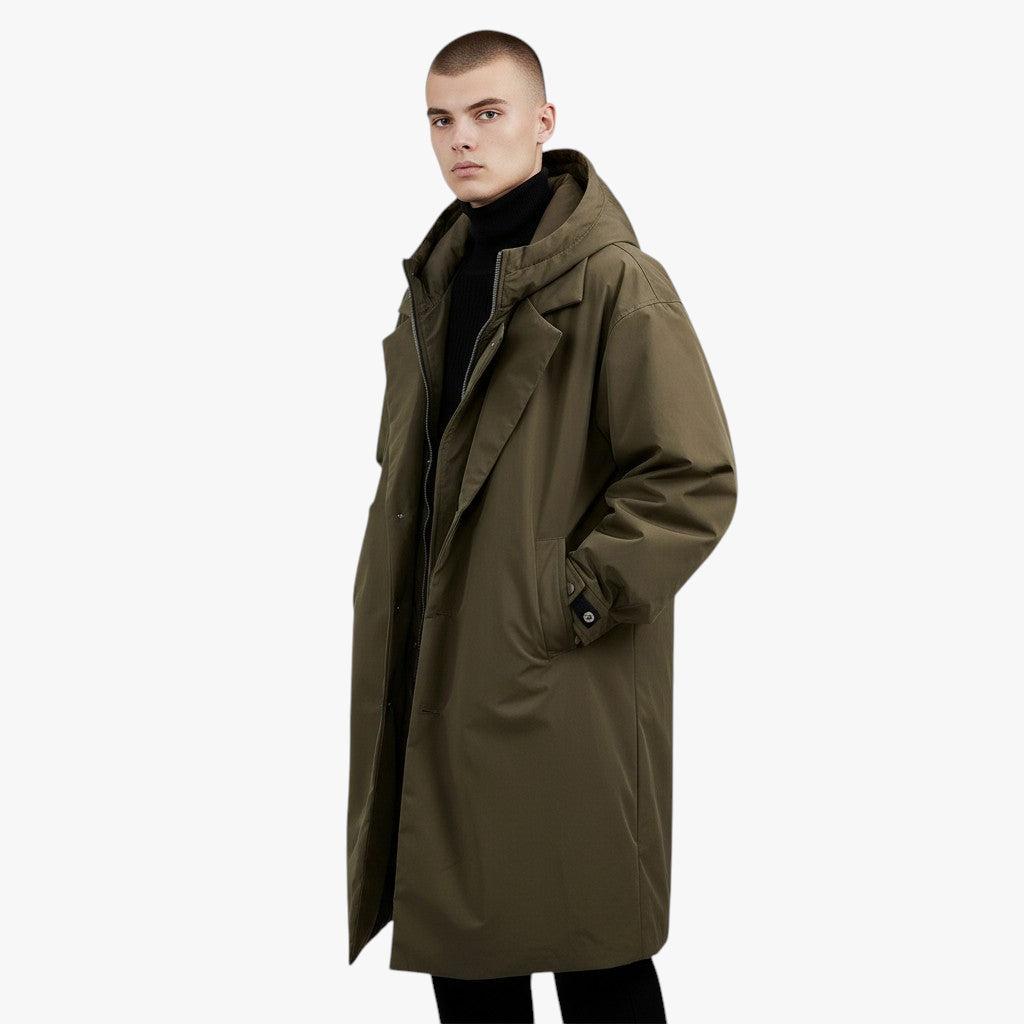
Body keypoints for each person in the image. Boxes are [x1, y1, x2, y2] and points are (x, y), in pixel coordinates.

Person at [347, 29, 738, 1024]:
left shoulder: (615, 281)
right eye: (441, 119)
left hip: (560, 677)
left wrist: (570, 595)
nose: (461, 139)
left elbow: (690, 475)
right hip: (441, 668)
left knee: (592, 949)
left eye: (487, 113)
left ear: (542, 122)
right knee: (465, 947)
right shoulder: (436, 283)